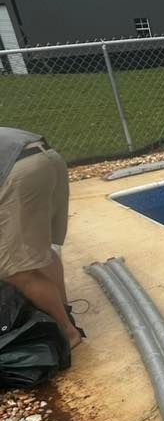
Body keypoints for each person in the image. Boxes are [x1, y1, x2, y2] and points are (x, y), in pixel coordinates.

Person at [0, 128, 83, 350]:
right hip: (47, 158)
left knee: (15, 270)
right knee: (42, 249)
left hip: (19, 170)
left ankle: (67, 332)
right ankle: (63, 312)